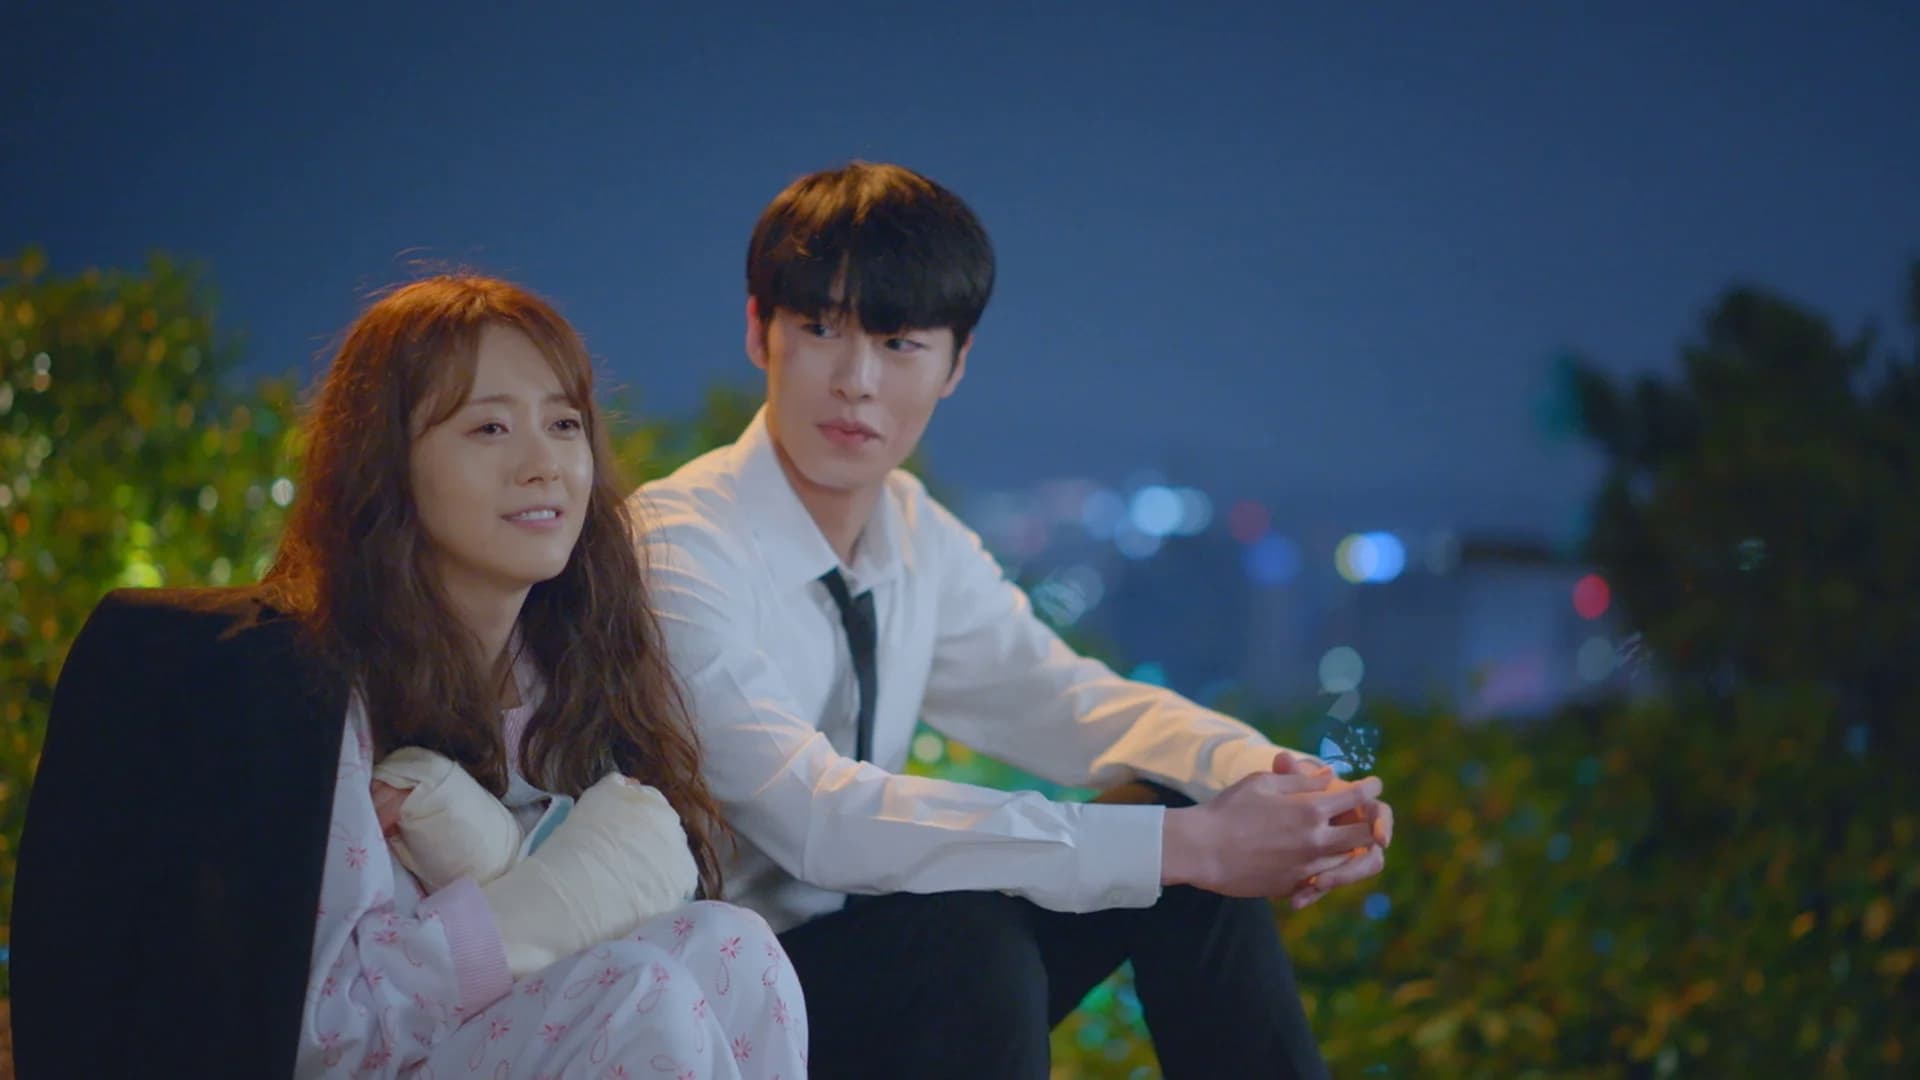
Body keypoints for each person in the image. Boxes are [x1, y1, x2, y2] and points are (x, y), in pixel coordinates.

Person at [635, 162, 1396, 1079]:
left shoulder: (914, 534)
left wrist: (1286, 785)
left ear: (955, 364)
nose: (857, 381)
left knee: (1180, 812)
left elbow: (1070, 703)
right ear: (760, 329)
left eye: (900, 342)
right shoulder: (677, 545)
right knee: (970, 937)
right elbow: (815, 818)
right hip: (716, 1004)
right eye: (821, 329)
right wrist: (1184, 847)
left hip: (869, 963)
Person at [11, 275, 808, 1078]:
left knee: (734, 947)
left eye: (564, 424)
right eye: (489, 427)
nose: (543, 464)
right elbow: (318, 1034)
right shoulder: (307, 689)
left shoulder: (577, 685)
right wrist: (553, 905)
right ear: (388, 461)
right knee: (638, 992)